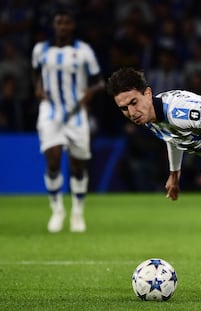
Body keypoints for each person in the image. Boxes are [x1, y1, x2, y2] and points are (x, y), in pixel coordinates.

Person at [106, 67, 201, 197]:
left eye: (134, 102)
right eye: (124, 108)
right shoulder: (149, 117)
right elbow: (173, 138)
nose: (132, 113)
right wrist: (174, 174)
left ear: (147, 94)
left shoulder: (177, 111)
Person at [31, 9, 105, 233]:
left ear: (72, 26)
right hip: (50, 111)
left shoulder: (83, 51)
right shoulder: (40, 50)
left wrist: (90, 92)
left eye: (66, 23)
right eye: (58, 22)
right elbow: (36, 72)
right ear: (53, 25)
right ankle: (57, 210)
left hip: (76, 114)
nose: (62, 26)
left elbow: (99, 81)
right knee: (52, 160)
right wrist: (38, 86)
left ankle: (77, 212)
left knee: (78, 166)